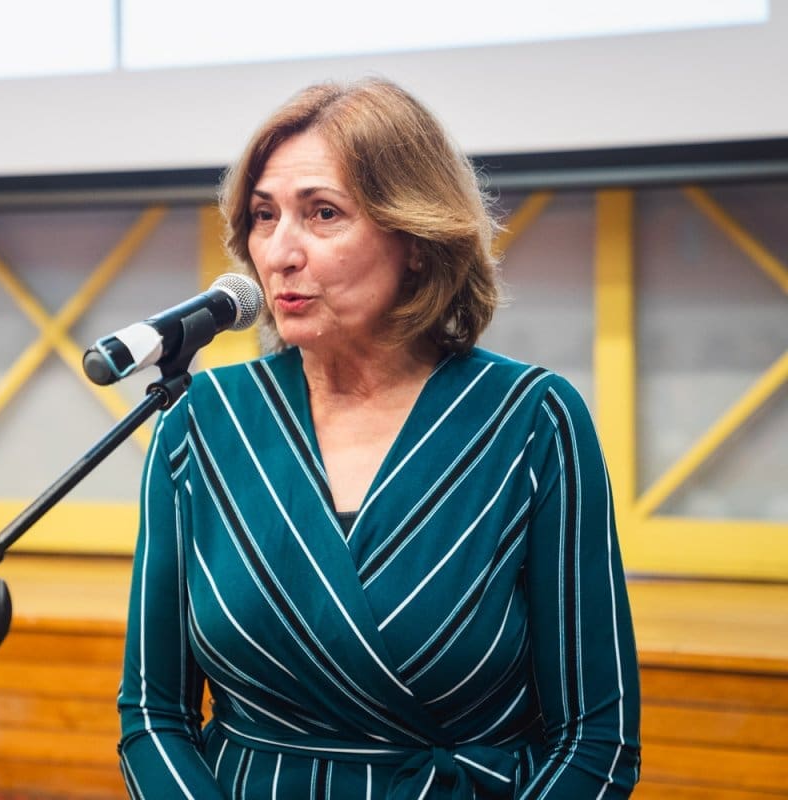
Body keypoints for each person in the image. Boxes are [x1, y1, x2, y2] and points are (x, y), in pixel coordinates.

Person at [116, 78, 641, 799]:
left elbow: (596, 741)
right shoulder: (202, 420)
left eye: (323, 213)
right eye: (265, 216)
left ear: (416, 241)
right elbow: (153, 713)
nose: (280, 252)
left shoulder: (531, 421)